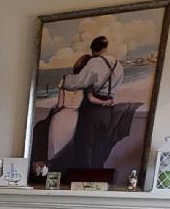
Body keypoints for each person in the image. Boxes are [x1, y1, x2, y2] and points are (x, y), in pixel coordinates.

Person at [44, 36, 142, 172]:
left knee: (85, 145)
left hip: (92, 109)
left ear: (92, 49)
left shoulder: (95, 62)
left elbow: (80, 81)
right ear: (106, 48)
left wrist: (65, 80)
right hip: (107, 109)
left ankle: (83, 178)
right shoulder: (118, 65)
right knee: (100, 146)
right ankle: (97, 177)